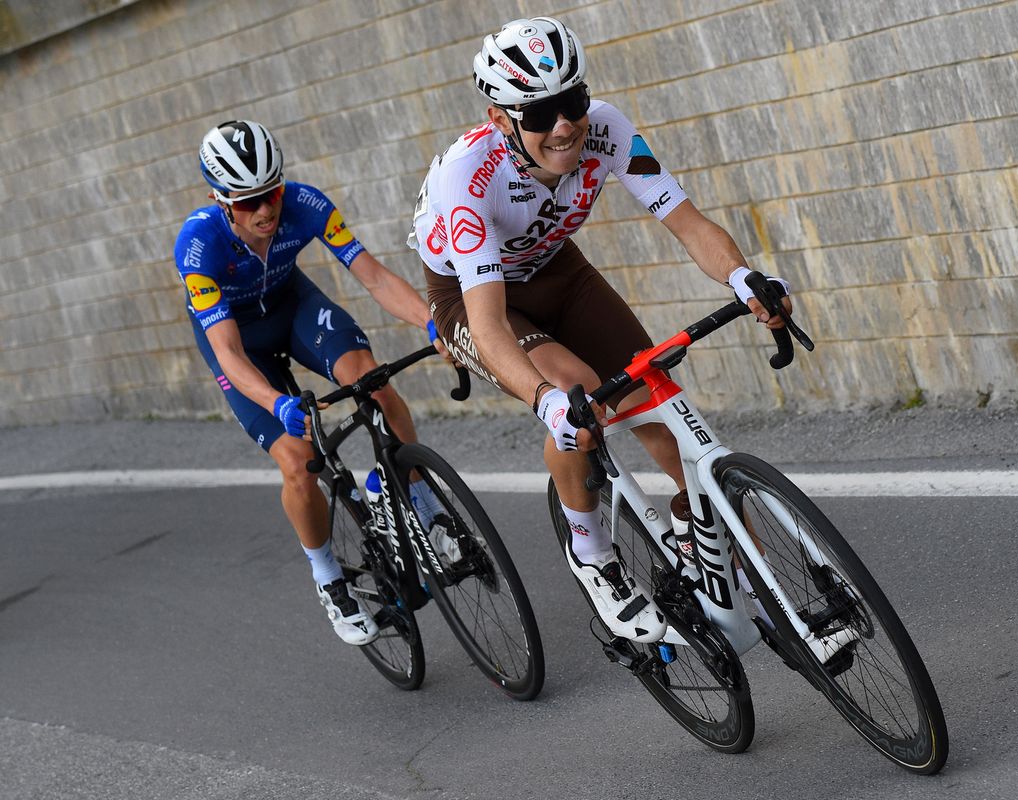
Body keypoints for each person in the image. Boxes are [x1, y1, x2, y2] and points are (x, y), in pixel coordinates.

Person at [407, 17, 795, 644]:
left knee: (659, 408)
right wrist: (545, 401)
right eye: (538, 113)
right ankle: (591, 553)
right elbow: (485, 321)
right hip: (477, 298)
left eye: (572, 102)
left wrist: (744, 279)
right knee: (579, 392)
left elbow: (689, 222)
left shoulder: (607, 128)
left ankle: (720, 553)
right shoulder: (467, 179)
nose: (562, 125)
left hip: (558, 269)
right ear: (501, 117)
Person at [175, 120, 454, 647]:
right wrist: (276, 402)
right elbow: (229, 354)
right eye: (247, 201)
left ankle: (420, 502)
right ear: (220, 201)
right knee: (299, 462)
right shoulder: (197, 246)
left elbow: (372, 275)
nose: (265, 210)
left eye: (271, 193)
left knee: (374, 383)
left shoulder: (306, 204)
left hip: (293, 307)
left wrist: (432, 320)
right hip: (240, 342)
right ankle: (328, 575)